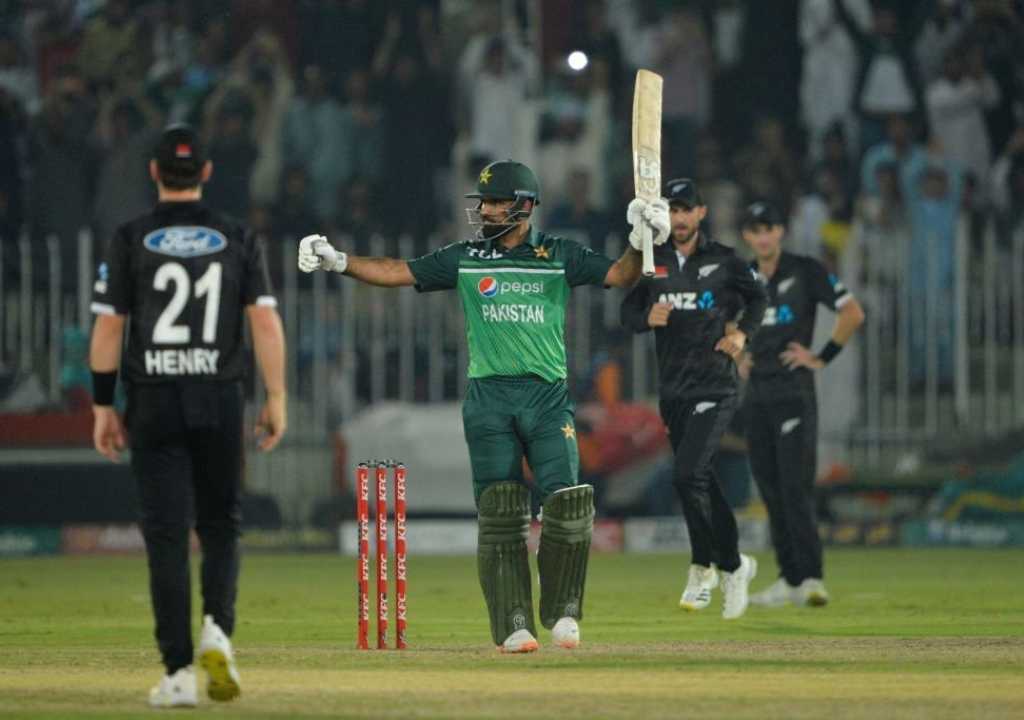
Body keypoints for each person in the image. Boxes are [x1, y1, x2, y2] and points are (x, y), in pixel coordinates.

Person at [298, 159, 668, 652]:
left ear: (527, 205)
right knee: (501, 514)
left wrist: (643, 237)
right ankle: (513, 622)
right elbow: (397, 271)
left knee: (568, 503)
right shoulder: (466, 256)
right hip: (489, 399)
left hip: (547, 397)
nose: (489, 210)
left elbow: (623, 275)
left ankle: (562, 612)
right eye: (486, 202)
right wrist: (337, 261)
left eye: (498, 202)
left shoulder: (559, 254)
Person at [89, 124, 286, 707]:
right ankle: (217, 631)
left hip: (152, 400)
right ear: (206, 172)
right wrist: (275, 396)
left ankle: (177, 673)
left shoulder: (129, 238)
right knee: (221, 524)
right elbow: (266, 322)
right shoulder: (237, 237)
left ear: (153, 172)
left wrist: (103, 404)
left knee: (167, 536)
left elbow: (108, 328)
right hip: (220, 397)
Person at [620, 178, 768, 620]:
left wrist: (742, 332)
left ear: (701, 213)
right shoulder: (655, 262)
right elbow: (627, 313)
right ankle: (735, 565)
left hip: (716, 387)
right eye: (673, 209)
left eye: (687, 209)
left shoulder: (724, 262)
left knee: (686, 475)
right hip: (674, 392)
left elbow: (758, 297)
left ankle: (702, 567)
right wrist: (647, 316)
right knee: (700, 479)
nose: (680, 218)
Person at [739, 201, 864, 608]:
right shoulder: (743, 277)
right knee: (771, 492)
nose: (763, 236)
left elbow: (852, 313)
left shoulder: (806, 270)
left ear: (781, 232)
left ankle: (811, 578)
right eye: (756, 229)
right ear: (747, 236)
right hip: (757, 395)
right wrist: (738, 354)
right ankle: (789, 579)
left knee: (795, 488)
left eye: (769, 227)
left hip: (794, 392)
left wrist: (821, 357)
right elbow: (725, 320)